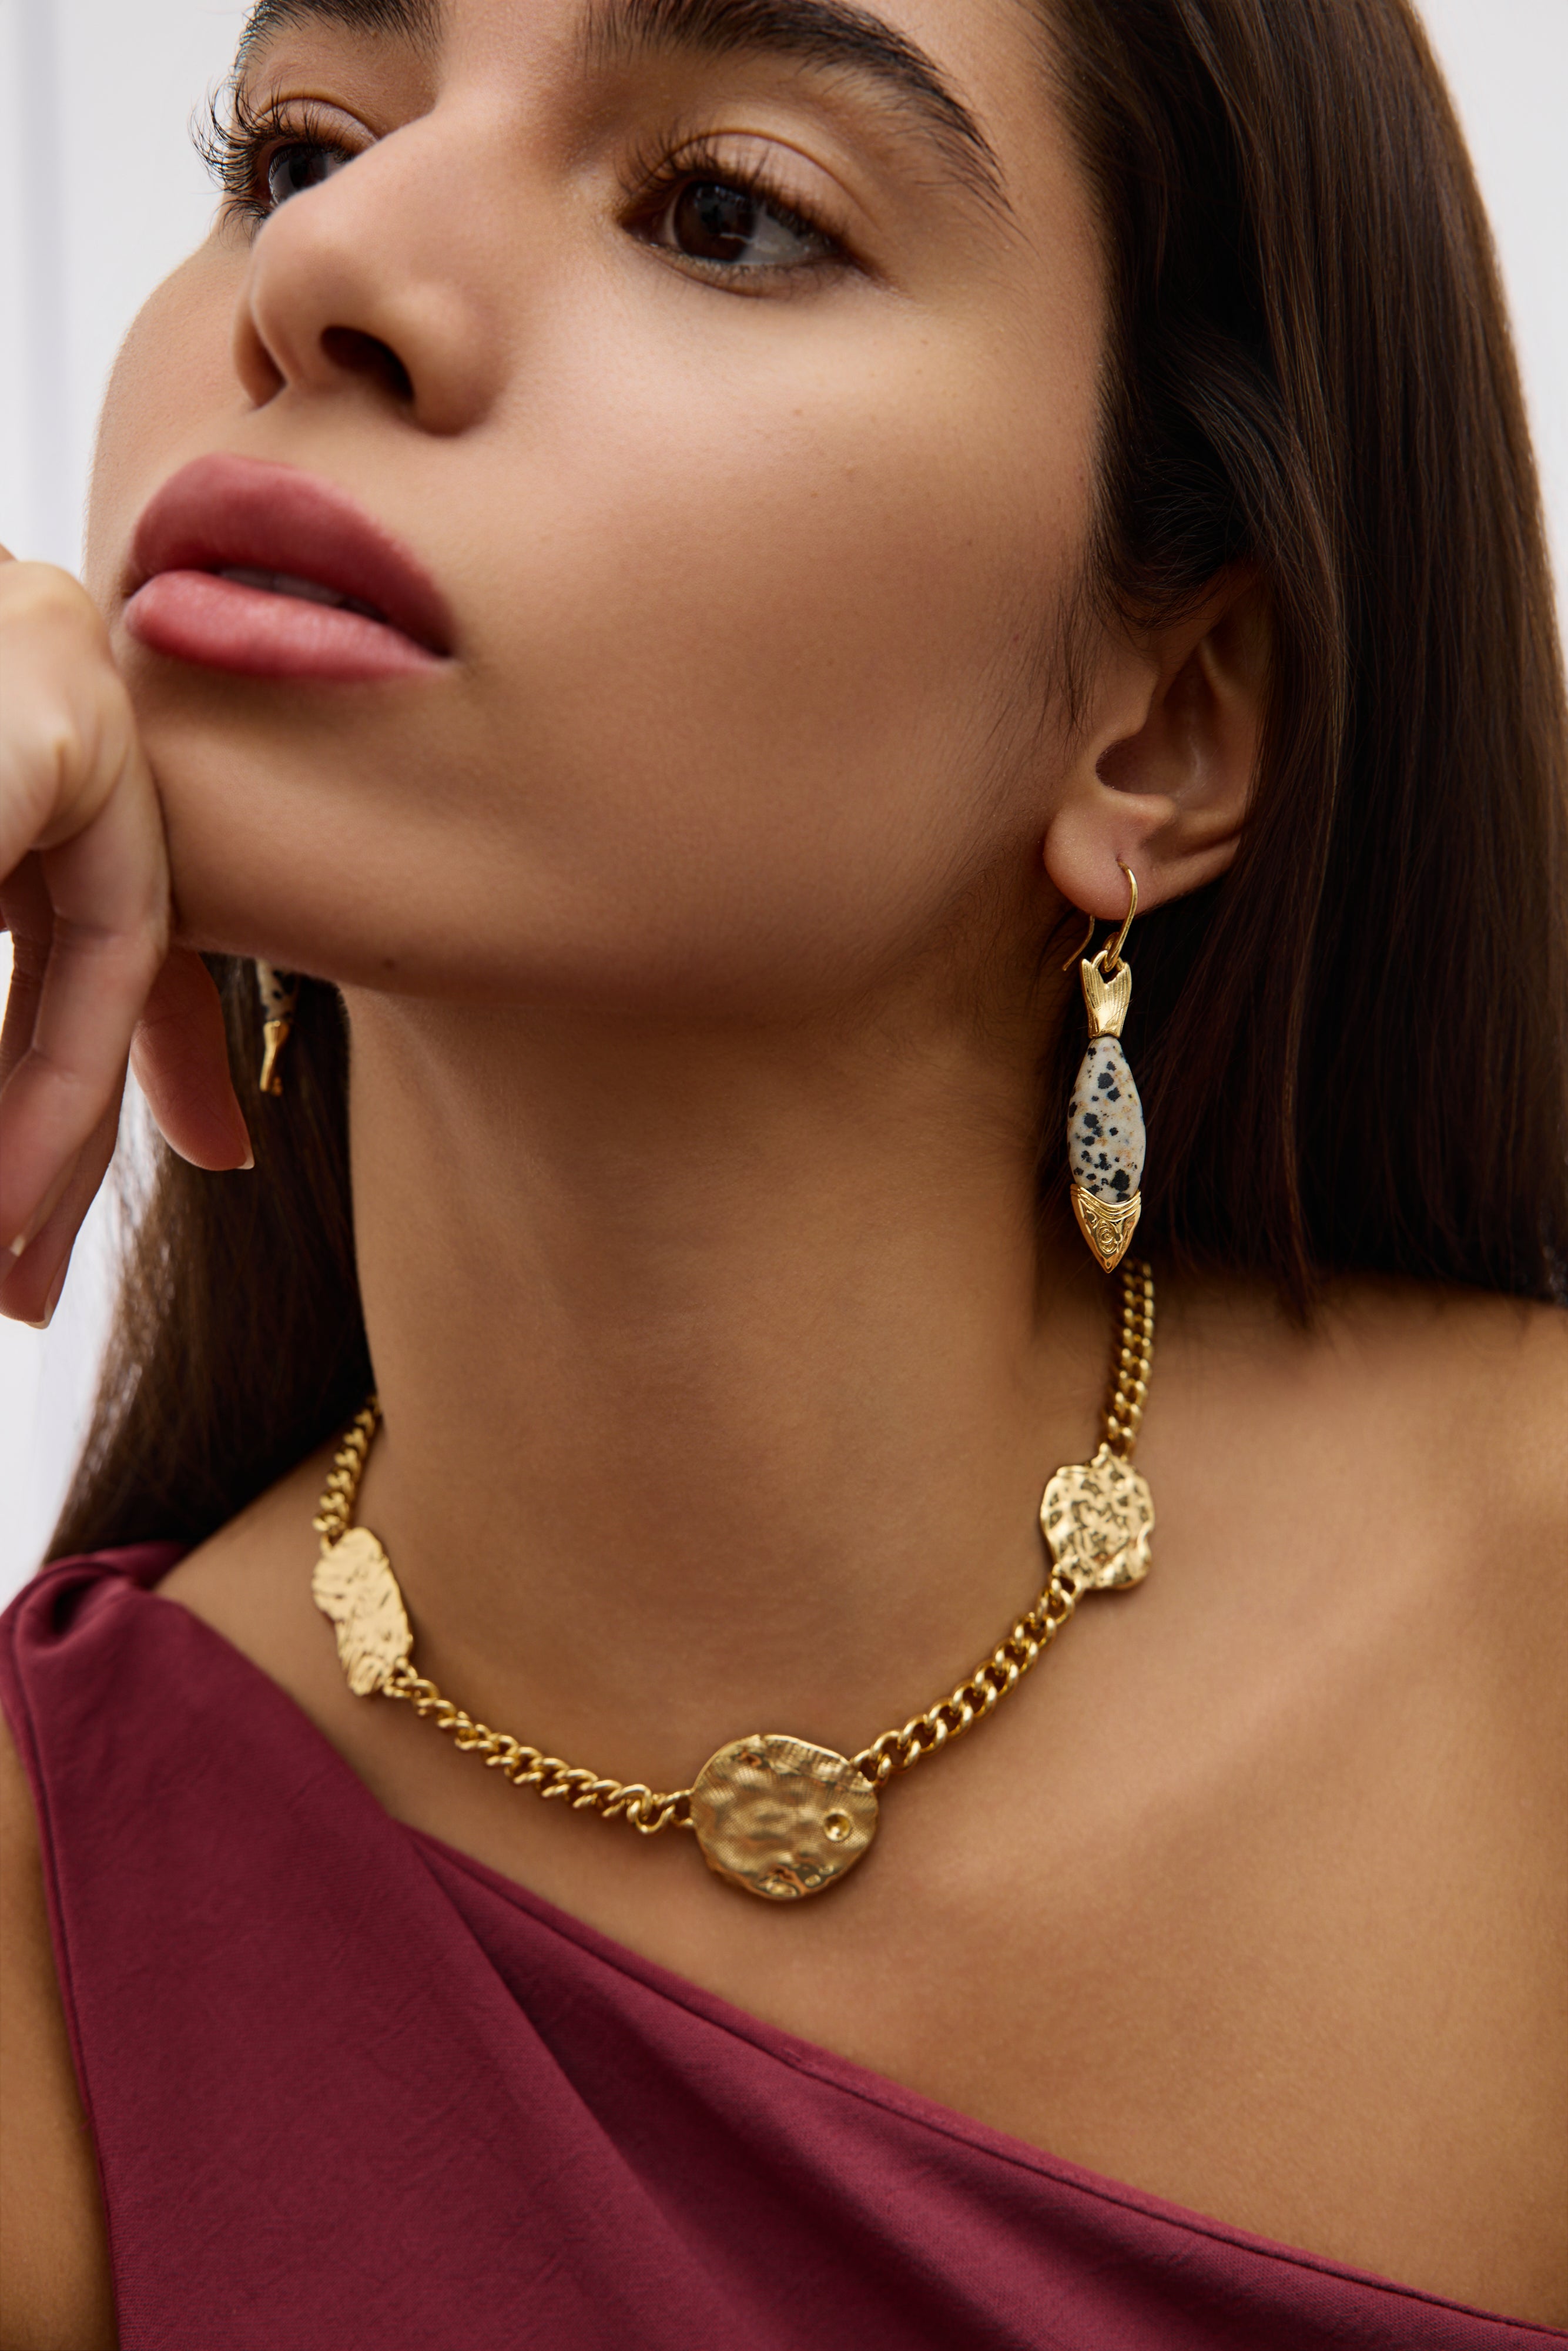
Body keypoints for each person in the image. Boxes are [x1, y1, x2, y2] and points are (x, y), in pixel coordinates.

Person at [0, 0, 1563, 2341]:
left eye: (724, 212)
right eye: (299, 139)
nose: (326, 265)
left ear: (1164, 715)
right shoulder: (54, 1934)